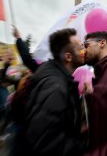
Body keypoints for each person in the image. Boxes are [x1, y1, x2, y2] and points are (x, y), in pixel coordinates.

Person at [24, 28, 86, 156]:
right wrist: (81, 145)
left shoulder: (58, 77)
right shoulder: (55, 88)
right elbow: (46, 145)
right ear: (68, 57)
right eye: (80, 48)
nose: (84, 51)